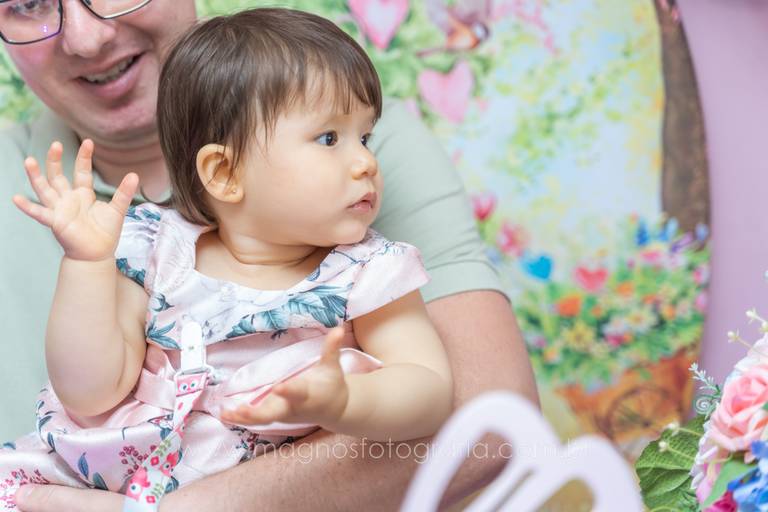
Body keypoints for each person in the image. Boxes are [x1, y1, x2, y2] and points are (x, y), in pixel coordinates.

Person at [0, 0, 538, 510]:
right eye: (328, 139)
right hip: (109, 469)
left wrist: (350, 404)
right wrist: (87, 265)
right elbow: (90, 392)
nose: (365, 163)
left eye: (365, 138)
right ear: (224, 173)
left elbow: (432, 392)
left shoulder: (367, 272)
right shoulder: (155, 248)